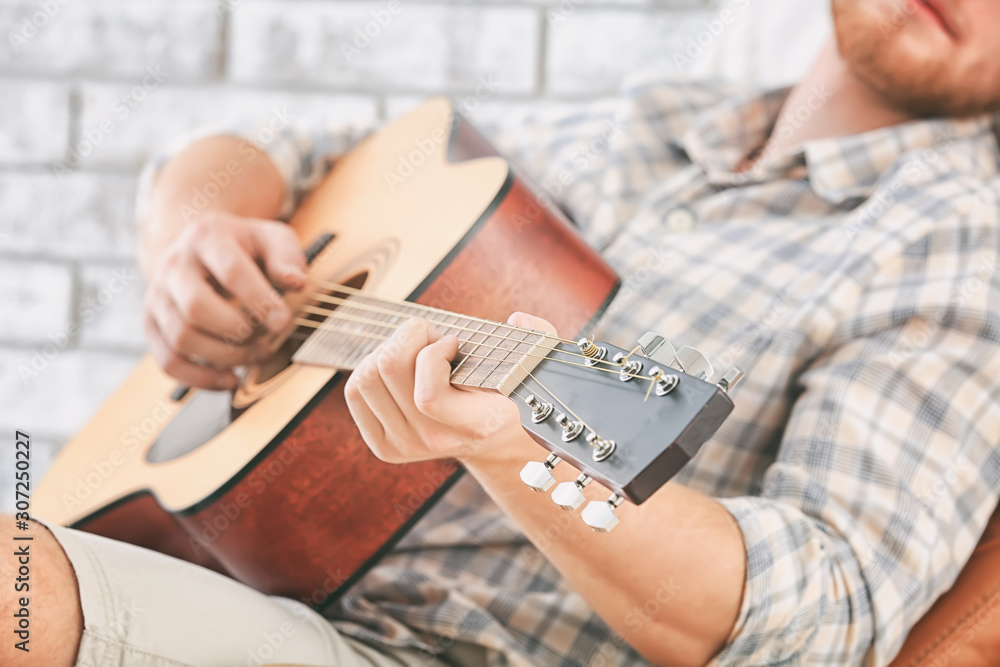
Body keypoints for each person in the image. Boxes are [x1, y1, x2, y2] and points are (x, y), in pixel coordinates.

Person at [5, 0, 1000, 665]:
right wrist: (194, 240)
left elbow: (826, 607)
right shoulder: (644, 122)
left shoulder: (960, 253)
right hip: (225, 565)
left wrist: (512, 448)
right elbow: (259, 152)